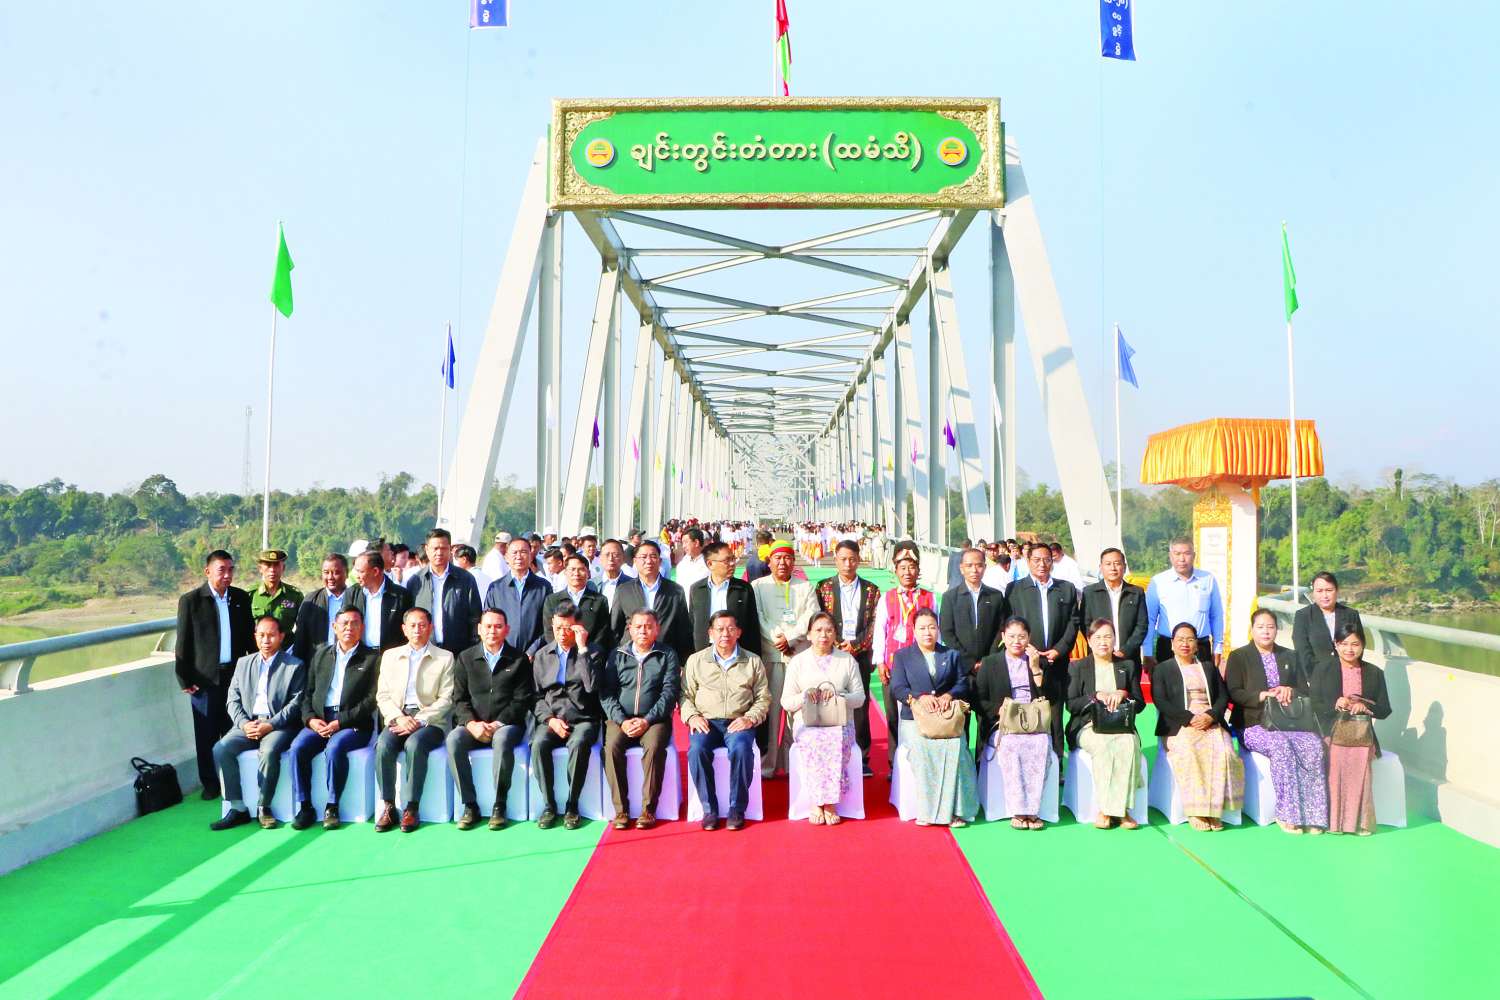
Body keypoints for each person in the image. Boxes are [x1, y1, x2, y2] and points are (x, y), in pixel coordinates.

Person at [1227, 608, 1327, 834]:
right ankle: (1287, 814)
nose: (1266, 631)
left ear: (1276, 630)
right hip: (1253, 723)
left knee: (1313, 745)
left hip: (1289, 721)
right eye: (1260, 627)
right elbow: (1233, 692)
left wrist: (1289, 689)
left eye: (1270, 627)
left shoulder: (1289, 655)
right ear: (1252, 629)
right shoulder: (1239, 656)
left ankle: (1313, 814)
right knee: (1281, 746)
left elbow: (1304, 690)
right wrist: (1261, 695)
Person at [209, 616, 307, 830]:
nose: (266, 640)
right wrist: (244, 724)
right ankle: (237, 808)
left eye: (271, 635)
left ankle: (264, 806)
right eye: (261, 635)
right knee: (221, 749)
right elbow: (232, 699)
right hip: (248, 724)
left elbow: (296, 703)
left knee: (269, 752)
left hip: (278, 725)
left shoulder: (295, 665)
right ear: (255, 637)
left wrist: (270, 724)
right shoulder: (243, 663)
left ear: (281, 637)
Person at [288, 606, 379, 830]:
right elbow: (308, 693)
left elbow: (371, 700)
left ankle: (332, 805)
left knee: (335, 747)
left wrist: (341, 722)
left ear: (362, 628)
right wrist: (310, 719)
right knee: (298, 747)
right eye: (344, 623)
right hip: (320, 719)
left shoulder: (372, 658)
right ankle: (305, 806)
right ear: (334, 627)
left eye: (355, 623)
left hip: (353, 723)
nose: (349, 628)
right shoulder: (321, 655)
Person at [176, 549, 255, 800]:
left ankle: (235, 779)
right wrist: (184, 678)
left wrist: (254, 671)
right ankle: (211, 783)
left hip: (235, 676)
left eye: (231, 570)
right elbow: (183, 643)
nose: (227, 575)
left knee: (234, 729)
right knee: (206, 733)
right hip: (204, 679)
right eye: (222, 570)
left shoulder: (241, 598)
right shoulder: (191, 601)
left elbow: (249, 639)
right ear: (207, 571)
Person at [682, 612, 771, 831]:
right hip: (706, 722)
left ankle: (736, 808)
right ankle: (709, 809)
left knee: (742, 749)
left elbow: (763, 698)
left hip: (738, 722)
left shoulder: (752, 661)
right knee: (696, 750)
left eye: (731, 629)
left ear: (739, 632)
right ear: (710, 633)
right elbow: (684, 695)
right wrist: (692, 716)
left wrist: (749, 718)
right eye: (720, 629)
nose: (725, 634)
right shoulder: (696, 660)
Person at [448, 609, 535, 831]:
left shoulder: (519, 659)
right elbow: (459, 699)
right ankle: (470, 805)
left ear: (507, 630)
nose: (492, 631)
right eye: (487, 626)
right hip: (473, 725)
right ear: (479, 629)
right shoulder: (465, 658)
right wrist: (471, 724)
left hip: (507, 725)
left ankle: (499, 805)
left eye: (498, 626)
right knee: (454, 740)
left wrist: (497, 724)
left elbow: (522, 700)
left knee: (502, 739)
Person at [889, 608, 977, 827]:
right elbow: (897, 687)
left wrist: (949, 695)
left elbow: (963, 683)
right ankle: (928, 812)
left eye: (931, 627)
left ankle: (957, 810)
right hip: (916, 720)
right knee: (922, 751)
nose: (927, 632)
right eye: (922, 628)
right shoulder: (902, 656)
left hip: (946, 719)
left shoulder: (951, 654)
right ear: (914, 630)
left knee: (958, 750)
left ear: (938, 629)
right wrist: (918, 698)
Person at [1152, 622, 1244, 831]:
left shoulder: (1208, 667)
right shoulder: (1162, 669)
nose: (1185, 644)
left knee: (1225, 751)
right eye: (1180, 640)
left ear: (1196, 645)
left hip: (1209, 720)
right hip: (1179, 724)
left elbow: (1222, 696)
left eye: (1190, 639)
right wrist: (1189, 718)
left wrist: (1211, 716)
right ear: (1172, 644)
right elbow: (1160, 701)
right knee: (1190, 752)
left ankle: (1215, 810)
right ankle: (1196, 810)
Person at [373, 608, 456, 833]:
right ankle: (388, 805)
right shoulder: (390, 656)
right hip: (398, 717)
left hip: (430, 721)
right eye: (412, 625)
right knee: (383, 745)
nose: (417, 629)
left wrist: (419, 719)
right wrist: (399, 718)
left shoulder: (445, 657)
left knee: (415, 744)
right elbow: (382, 696)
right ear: (404, 629)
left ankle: (411, 807)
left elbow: (446, 698)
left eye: (422, 625)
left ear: (431, 628)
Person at [599, 609, 681, 830]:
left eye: (648, 626)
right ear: (630, 629)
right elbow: (606, 693)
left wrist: (648, 720)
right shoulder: (617, 655)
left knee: (654, 747)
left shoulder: (667, 655)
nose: (643, 631)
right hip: (621, 719)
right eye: (638, 626)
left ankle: (648, 809)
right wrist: (621, 720)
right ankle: (621, 810)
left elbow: (670, 692)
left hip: (655, 720)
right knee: (611, 748)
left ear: (657, 629)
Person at [781, 611, 865, 825]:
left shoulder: (847, 660)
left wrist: (839, 696)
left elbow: (860, 698)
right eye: (818, 630)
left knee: (835, 738)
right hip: (807, 723)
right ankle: (816, 801)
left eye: (829, 630)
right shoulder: (798, 662)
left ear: (835, 634)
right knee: (814, 740)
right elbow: (786, 701)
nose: (823, 635)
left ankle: (830, 803)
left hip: (839, 722)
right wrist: (805, 695)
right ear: (809, 634)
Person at [975, 616, 1057, 829]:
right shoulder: (990, 663)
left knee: (1041, 743)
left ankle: (1033, 810)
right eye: (1011, 636)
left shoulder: (1038, 661)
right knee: (1012, 745)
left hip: (1033, 722)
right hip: (1004, 723)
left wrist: (1036, 668)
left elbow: (1051, 697)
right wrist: (998, 711)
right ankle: (1019, 810)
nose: (1016, 641)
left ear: (1029, 638)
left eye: (1022, 637)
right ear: (1003, 637)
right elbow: (978, 700)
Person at [1065, 618, 1147, 830]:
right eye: (1098, 637)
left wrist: (1124, 694)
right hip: (1088, 726)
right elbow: (1071, 705)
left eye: (1108, 637)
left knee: (1129, 743)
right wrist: (1095, 696)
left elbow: (1140, 704)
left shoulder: (1126, 666)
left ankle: (1118, 810)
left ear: (1114, 640)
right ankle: (1110, 810)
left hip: (1121, 725)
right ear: (1089, 640)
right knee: (1104, 746)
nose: (1103, 642)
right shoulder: (1078, 667)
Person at [1313, 624, 1392, 836]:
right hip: (1331, 731)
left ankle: (1360, 823)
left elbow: (1385, 709)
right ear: (1336, 645)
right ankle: (1333, 822)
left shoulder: (1374, 673)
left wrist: (1365, 707)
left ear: (1363, 646)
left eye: (1355, 644)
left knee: (1360, 758)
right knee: (1336, 757)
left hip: (1361, 734)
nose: (1349, 649)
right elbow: (1314, 704)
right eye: (1344, 644)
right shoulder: (1322, 669)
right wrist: (1335, 703)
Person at [530, 601, 603, 830]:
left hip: (583, 719)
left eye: (568, 628)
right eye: (558, 628)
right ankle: (549, 805)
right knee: (538, 744)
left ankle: (572, 804)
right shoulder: (542, 655)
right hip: (552, 718)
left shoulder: (593, 652)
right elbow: (535, 697)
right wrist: (550, 720)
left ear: (578, 627)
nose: (562, 633)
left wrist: (582, 649)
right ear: (552, 625)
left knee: (579, 743)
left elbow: (591, 686)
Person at [814, 539, 882, 775]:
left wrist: (856, 645)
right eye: (843, 559)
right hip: (831, 653)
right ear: (835, 560)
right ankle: (830, 752)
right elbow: (820, 618)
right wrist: (835, 642)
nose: (847, 564)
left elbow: (874, 623)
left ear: (859, 560)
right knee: (830, 699)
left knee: (860, 704)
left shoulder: (872, 590)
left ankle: (861, 756)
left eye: (852, 559)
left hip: (860, 654)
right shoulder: (823, 587)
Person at [1005, 543, 1080, 755]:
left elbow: (1073, 623)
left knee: (1054, 714)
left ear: (1052, 561)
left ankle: (1056, 761)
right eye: (1036, 560)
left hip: (1056, 661)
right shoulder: (1015, 589)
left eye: (1047, 559)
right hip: (1025, 659)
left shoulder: (1066, 589)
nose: (1042, 564)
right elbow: (1009, 622)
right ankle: (1026, 757)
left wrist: (1059, 649)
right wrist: (1026, 648)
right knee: (1025, 711)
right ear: (1028, 561)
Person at [751, 541, 817, 778]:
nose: (782, 562)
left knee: (797, 712)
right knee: (771, 713)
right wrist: (777, 638)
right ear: (769, 562)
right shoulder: (758, 586)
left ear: (793, 562)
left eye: (787, 558)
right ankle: (767, 765)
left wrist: (790, 638)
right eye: (777, 558)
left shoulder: (805, 587)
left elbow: (811, 616)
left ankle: (791, 764)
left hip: (798, 656)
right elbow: (758, 617)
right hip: (771, 656)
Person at [873, 543, 937, 771]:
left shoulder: (929, 597)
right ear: (895, 570)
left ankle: (921, 760)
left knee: (920, 712)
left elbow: (937, 632)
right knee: (893, 715)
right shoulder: (887, 597)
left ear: (918, 570)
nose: (907, 572)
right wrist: (880, 661)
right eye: (902, 567)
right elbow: (880, 630)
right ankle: (895, 763)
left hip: (921, 665)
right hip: (893, 665)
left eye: (912, 567)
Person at [610, 539, 694, 666]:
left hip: (665, 657)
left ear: (660, 561)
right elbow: (615, 628)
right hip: (631, 659)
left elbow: (683, 629)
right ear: (635, 561)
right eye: (643, 557)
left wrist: (683, 663)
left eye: (653, 556)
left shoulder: (675, 591)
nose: (648, 561)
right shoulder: (623, 590)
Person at [1144, 538, 1225, 670]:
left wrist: (1218, 648)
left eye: (1187, 553)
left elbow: (1216, 615)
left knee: (1203, 682)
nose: (1182, 559)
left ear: (1194, 555)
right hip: (1168, 647)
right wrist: (1147, 652)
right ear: (1170, 556)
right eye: (1177, 554)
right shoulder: (1158, 582)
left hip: (1200, 646)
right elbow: (1149, 619)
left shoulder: (1207, 579)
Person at [404, 528, 483, 656]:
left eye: (443, 548)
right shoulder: (416, 581)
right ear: (427, 549)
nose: (439, 553)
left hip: (459, 651)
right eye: (435, 548)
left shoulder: (465, 579)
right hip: (425, 651)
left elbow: (475, 616)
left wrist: (473, 648)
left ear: (450, 550)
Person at [939, 546, 1010, 675]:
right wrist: (969, 662)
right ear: (961, 568)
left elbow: (1001, 629)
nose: (974, 570)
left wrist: (988, 659)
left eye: (979, 565)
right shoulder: (950, 597)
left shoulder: (995, 596)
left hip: (989, 664)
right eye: (969, 566)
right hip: (960, 666)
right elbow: (946, 633)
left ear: (985, 567)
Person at [689, 542, 762, 655]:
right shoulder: (697, 589)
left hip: (737, 652)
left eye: (733, 559)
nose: (732, 564)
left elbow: (753, 627)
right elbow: (692, 624)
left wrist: (755, 656)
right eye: (727, 560)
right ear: (710, 564)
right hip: (705, 652)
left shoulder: (744, 589)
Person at [1081, 548, 1148, 670]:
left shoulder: (1136, 592)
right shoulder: (1090, 592)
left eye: (1117, 563)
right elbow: (1085, 624)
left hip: (1129, 658)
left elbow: (1141, 626)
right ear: (1101, 567)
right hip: (1099, 658)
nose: (1113, 568)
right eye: (1108, 564)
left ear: (1124, 567)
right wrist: (1101, 648)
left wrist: (1125, 651)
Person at [486, 536, 554, 655]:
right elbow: (488, 623)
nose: (519, 556)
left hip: (535, 656)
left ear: (531, 556)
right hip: (503, 655)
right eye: (514, 552)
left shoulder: (544, 587)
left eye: (523, 552)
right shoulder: (495, 588)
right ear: (506, 557)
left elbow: (549, 624)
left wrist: (533, 650)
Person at [1292, 571, 1363, 684]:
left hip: (1348, 676)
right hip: (1317, 678)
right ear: (1313, 592)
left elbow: (1359, 645)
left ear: (1337, 590)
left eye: (1329, 590)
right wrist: (1315, 677)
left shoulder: (1351, 614)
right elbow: (1302, 652)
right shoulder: (1303, 616)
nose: (1324, 595)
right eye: (1319, 591)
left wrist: (1350, 671)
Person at [346, 550, 413, 652]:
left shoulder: (401, 596)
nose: (357, 576)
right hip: (361, 655)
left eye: (361, 572)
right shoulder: (352, 594)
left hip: (392, 655)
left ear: (375, 571)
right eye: (357, 571)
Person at [292, 552, 350, 663]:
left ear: (346, 573)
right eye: (326, 572)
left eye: (336, 572)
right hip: (318, 662)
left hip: (347, 660)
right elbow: (300, 638)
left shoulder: (356, 598)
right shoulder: (311, 600)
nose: (330, 577)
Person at [250, 549, 303, 646]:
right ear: (260, 568)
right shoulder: (251, 595)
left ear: (283, 568)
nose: (272, 570)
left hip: (286, 650)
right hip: (259, 650)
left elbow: (302, 627)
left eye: (276, 565)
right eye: (268, 565)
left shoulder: (294, 595)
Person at [594, 539, 634, 615]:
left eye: (615, 555)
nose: (611, 558)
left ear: (623, 558)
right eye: (607, 555)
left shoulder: (632, 585)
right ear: (600, 558)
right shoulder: (591, 584)